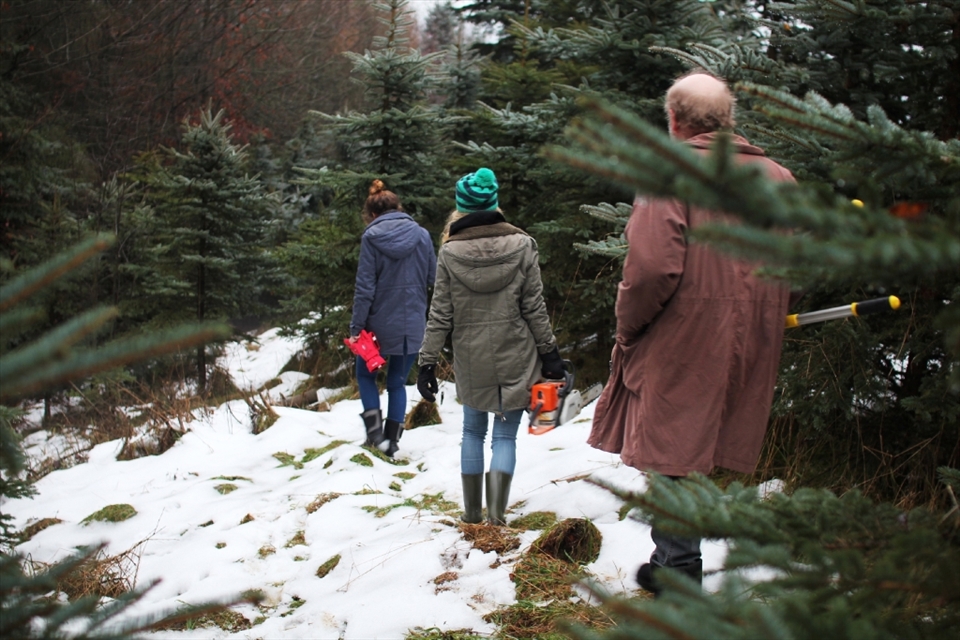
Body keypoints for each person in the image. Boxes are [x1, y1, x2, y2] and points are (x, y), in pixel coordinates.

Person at [586, 71, 796, 595]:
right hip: (751, 334)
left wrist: (628, 326)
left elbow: (651, 269)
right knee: (692, 451)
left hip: (685, 334)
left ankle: (679, 577)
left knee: (675, 453)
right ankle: (670, 563)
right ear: (727, 119)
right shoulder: (778, 178)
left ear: (674, 120)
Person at [416, 167, 565, 525]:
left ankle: (471, 516)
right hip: (517, 351)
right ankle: (496, 519)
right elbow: (534, 307)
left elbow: (440, 313)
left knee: (472, 431)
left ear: (461, 208)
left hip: (471, 356)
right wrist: (550, 353)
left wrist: (426, 362)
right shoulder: (523, 245)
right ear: (494, 204)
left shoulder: (450, 252)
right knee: (504, 437)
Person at [350, 179, 436, 457]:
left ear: (373, 214)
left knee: (365, 375)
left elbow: (365, 287)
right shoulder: (422, 235)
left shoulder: (371, 237)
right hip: (413, 322)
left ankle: (375, 436)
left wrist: (357, 326)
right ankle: (392, 443)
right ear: (398, 208)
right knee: (397, 382)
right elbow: (433, 277)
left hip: (378, 325)